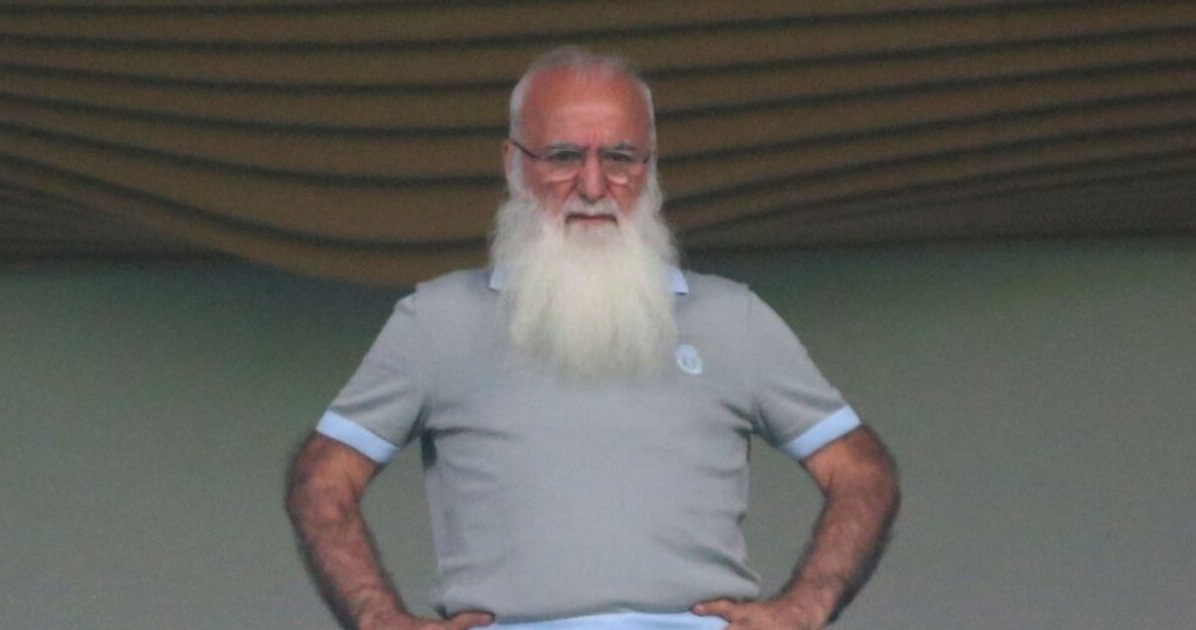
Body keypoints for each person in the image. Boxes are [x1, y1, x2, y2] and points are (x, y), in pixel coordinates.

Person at [286, 47, 900, 630]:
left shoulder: (732, 318)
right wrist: (378, 616)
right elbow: (322, 478)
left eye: (620, 158)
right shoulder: (438, 321)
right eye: (562, 156)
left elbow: (861, 473)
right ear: (512, 164)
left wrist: (804, 608)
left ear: (649, 167)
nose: (592, 185)